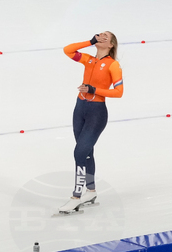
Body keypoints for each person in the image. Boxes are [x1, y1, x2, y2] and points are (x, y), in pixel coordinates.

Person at [58, 32, 123, 215]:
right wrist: (89, 41)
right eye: (99, 35)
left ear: (110, 45)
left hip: (96, 112)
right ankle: (91, 191)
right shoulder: (88, 60)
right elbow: (68, 50)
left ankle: (76, 197)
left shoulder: (113, 65)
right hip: (80, 109)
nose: (101, 37)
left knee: (79, 152)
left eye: (105, 37)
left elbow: (119, 92)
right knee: (86, 153)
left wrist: (94, 89)